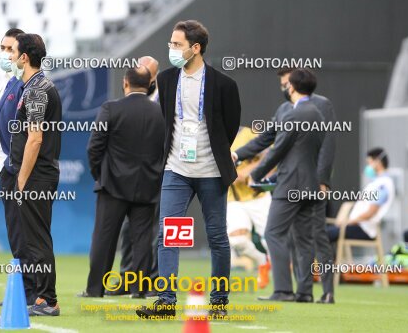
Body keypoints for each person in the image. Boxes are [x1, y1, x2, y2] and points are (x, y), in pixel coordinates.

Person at [136, 20, 241, 319]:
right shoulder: (167, 80)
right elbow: (167, 120)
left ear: (195, 48)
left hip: (211, 172)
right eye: (171, 43)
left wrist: (216, 152)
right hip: (176, 169)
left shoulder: (224, 84)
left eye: (177, 44)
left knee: (217, 237)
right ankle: (166, 302)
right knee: (168, 235)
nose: (171, 49)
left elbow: (230, 126)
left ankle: (219, 302)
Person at [233, 68, 337, 304]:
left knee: (274, 233)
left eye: (286, 83)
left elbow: (277, 150)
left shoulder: (297, 113)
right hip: (308, 185)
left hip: (291, 183)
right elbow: (267, 140)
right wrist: (237, 155)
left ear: (292, 86)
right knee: (304, 239)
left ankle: (283, 290)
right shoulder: (314, 114)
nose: (284, 87)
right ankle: (305, 292)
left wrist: (256, 175)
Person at [80, 65, 165, 299]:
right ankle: (139, 290)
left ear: (125, 83)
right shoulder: (161, 112)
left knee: (104, 239)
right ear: (149, 85)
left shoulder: (110, 108)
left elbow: (94, 147)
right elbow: (167, 150)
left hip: (112, 186)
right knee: (142, 240)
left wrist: (100, 174)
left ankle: (95, 289)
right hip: (147, 186)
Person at [9, 33, 62, 316]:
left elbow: (35, 138)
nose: (10, 57)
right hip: (39, 173)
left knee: (38, 239)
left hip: (36, 175)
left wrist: (21, 179)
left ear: (25, 57)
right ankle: (43, 297)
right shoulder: (35, 85)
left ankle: (48, 300)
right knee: (35, 238)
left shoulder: (37, 89)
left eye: (14, 51)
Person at [0, 28, 36, 306]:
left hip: (12, 166)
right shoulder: (9, 83)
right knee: (16, 233)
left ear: (22, 55)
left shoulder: (23, 85)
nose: (5, 54)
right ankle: (23, 292)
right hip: (5, 166)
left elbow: (24, 131)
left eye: (10, 49)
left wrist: (12, 164)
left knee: (22, 233)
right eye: (2, 47)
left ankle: (30, 293)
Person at [106, 56, 161, 297]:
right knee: (129, 230)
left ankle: (153, 282)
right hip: (131, 177)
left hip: (158, 175)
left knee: (158, 230)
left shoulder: (166, 99)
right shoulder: (127, 103)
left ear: (154, 78)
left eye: (147, 73)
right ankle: (129, 279)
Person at [227, 126, 272, 288]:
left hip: (257, 197)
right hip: (233, 198)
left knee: (271, 240)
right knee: (237, 241)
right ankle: (262, 261)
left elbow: (271, 155)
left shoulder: (249, 133)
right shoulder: (210, 137)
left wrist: (249, 171)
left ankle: (286, 286)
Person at [327, 148, 395, 242]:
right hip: (359, 225)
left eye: (369, 163)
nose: (368, 166)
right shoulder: (377, 183)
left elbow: (371, 212)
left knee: (324, 235)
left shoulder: (383, 185)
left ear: (377, 162)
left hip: (365, 229)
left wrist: (348, 222)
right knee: (324, 233)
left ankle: (322, 257)